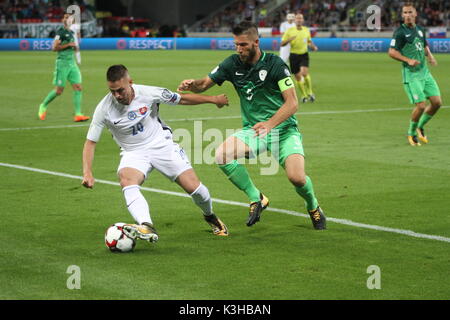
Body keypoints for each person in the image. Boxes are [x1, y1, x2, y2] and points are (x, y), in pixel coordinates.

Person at [177, 21, 326, 230]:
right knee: (221, 155)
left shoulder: (276, 65)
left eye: (244, 45)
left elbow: (292, 103)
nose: (239, 49)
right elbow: (204, 84)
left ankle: (313, 207)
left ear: (256, 42)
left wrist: (270, 124)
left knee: (297, 178)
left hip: (283, 129)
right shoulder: (231, 64)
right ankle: (257, 197)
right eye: (236, 44)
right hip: (254, 131)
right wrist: (192, 84)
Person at [82, 65, 230, 242]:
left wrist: (213, 99)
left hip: (162, 145)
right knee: (126, 180)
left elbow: (181, 99)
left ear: (130, 82)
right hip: (133, 152)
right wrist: (87, 172)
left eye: (120, 90)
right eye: (112, 91)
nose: (117, 96)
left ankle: (209, 215)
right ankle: (146, 225)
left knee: (196, 189)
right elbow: (90, 143)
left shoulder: (149, 93)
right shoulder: (104, 109)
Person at [388, 3, 442, 146]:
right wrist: (408, 60)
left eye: (410, 12)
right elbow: (392, 52)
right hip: (412, 75)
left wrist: (430, 56)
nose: (407, 15)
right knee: (421, 106)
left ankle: (420, 126)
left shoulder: (420, 29)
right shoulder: (400, 32)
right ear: (402, 15)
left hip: (425, 73)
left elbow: (424, 44)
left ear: (415, 14)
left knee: (437, 103)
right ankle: (411, 133)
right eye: (405, 13)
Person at [38, 13, 90, 122]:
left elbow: (73, 46)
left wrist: (74, 48)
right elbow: (54, 48)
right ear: (63, 20)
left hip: (72, 63)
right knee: (59, 90)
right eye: (66, 17)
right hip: (62, 64)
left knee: (78, 87)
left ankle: (78, 114)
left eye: (70, 18)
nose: (68, 19)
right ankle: (43, 105)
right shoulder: (60, 32)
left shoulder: (71, 33)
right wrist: (68, 45)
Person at [281, 13, 318, 103]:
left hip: (304, 54)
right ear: (295, 20)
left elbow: (309, 41)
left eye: (300, 18)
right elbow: (282, 43)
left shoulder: (306, 30)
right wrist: (289, 39)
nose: (299, 20)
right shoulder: (289, 31)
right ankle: (304, 95)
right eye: (297, 19)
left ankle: (310, 92)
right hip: (293, 55)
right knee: (298, 77)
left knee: (304, 73)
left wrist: (313, 46)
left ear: (303, 20)